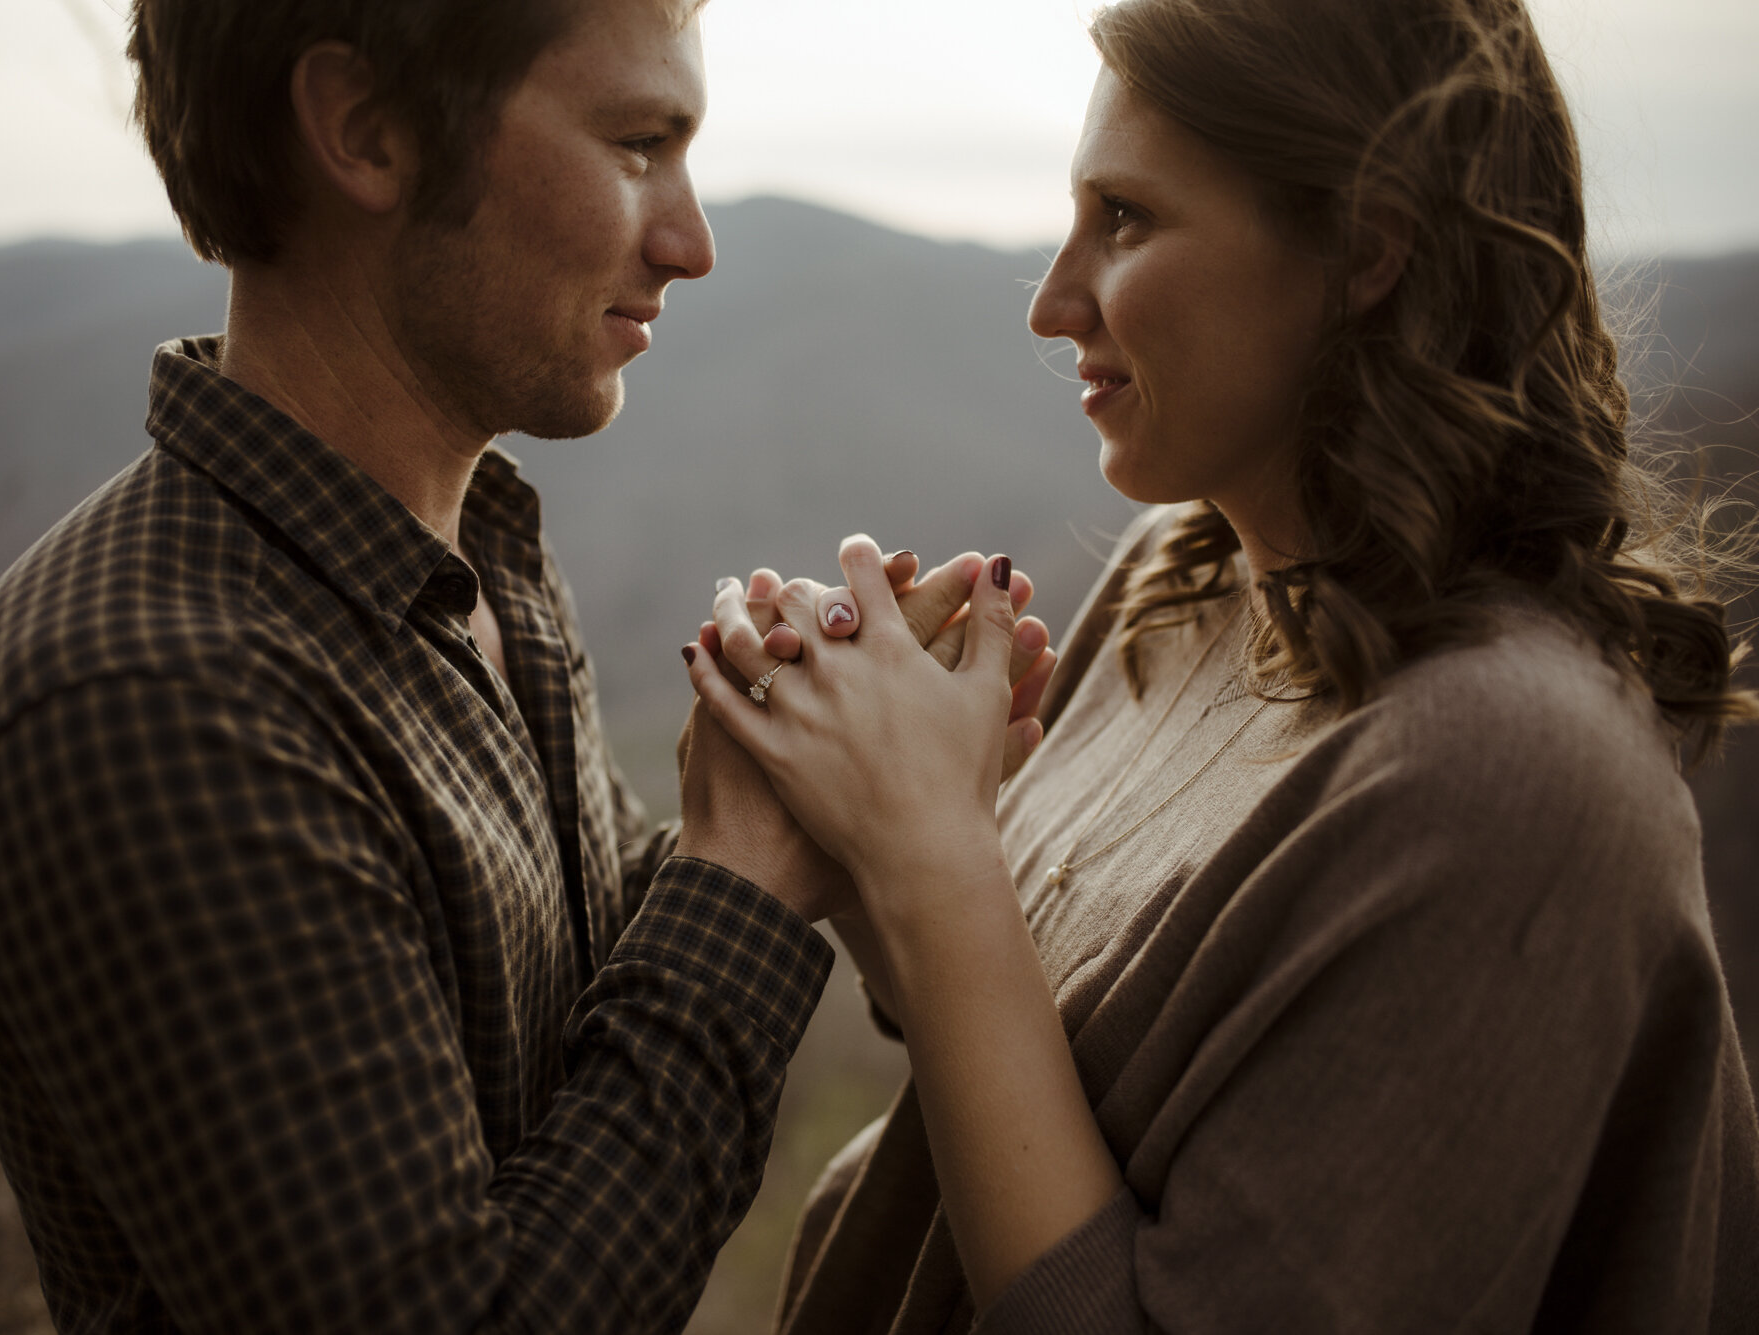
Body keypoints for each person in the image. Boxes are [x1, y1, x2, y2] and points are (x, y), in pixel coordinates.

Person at [0, 1, 1052, 1331]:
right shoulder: (147, 702)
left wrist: (848, 801)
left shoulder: (470, 564)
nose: (692, 242)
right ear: (366, 132)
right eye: (635, 143)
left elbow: (581, 1057)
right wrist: (739, 876)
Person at [687, 0, 1759, 1330]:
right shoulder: (1176, 584)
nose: (1051, 299)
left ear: (1365, 250)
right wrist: (869, 812)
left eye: (1125, 220)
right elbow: (1018, 1067)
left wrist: (931, 855)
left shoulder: (1515, 781)